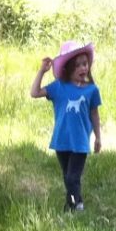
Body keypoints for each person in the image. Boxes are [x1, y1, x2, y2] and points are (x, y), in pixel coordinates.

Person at [30, 40, 102, 212]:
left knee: (72, 177)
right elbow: (34, 93)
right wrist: (42, 71)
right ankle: (77, 201)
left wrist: (98, 137)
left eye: (85, 64)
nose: (83, 68)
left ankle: (73, 206)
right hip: (62, 140)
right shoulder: (58, 87)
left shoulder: (91, 90)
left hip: (80, 142)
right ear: (68, 69)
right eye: (77, 66)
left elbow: (94, 114)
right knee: (68, 177)